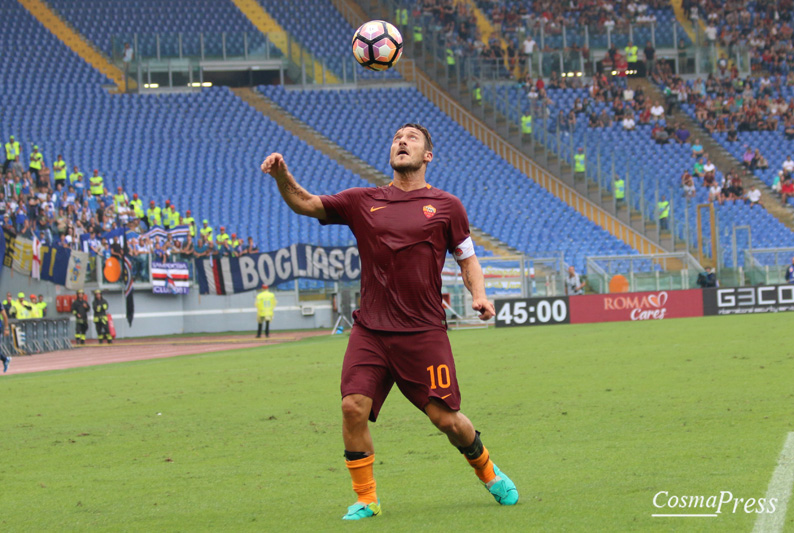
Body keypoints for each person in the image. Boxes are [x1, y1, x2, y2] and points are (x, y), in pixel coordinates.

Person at [260, 123, 518, 520]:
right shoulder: (363, 201)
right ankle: (366, 499)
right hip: (372, 331)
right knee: (352, 407)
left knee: (446, 420)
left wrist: (479, 295)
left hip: (423, 332)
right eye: (397, 137)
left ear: (427, 156)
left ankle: (487, 469)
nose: (402, 141)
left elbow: (467, 258)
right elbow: (307, 204)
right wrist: (282, 176)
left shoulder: (448, 206)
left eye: (412, 138)